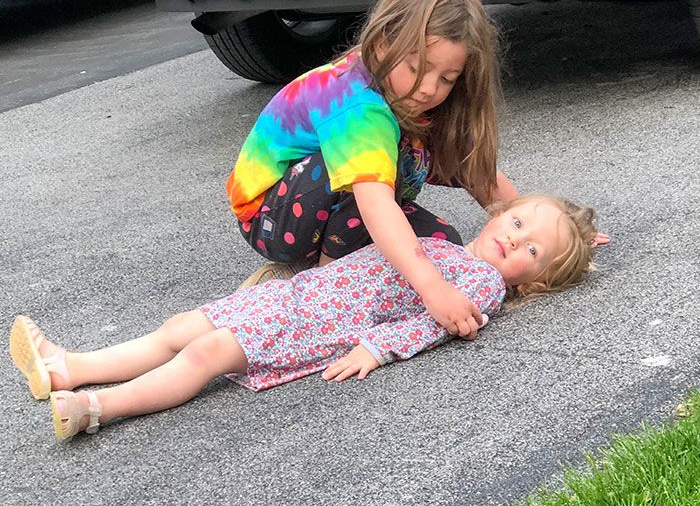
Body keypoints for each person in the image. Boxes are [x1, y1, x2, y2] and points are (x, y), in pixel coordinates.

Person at [10, 194, 598, 441]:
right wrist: (574, 236)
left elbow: (434, 322)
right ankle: (70, 367)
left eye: (532, 252)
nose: (513, 243)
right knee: (181, 327)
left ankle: (94, 408)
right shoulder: (447, 245)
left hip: (316, 325)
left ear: (534, 277)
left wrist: (378, 348)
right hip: (296, 300)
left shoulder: (482, 284)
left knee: (204, 354)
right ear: (500, 212)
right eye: (518, 224)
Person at [227, 0, 517, 340]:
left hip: (346, 204)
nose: (429, 88)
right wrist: (431, 289)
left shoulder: (407, 92)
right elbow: (375, 205)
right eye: (418, 69)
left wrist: (540, 221)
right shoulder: (356, 104)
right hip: (274, 218)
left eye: (447, 79)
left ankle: (343, 271)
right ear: (382, 46)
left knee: (444, 247)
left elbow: (474, 171)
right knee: (360, 193)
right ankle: (317, 285)